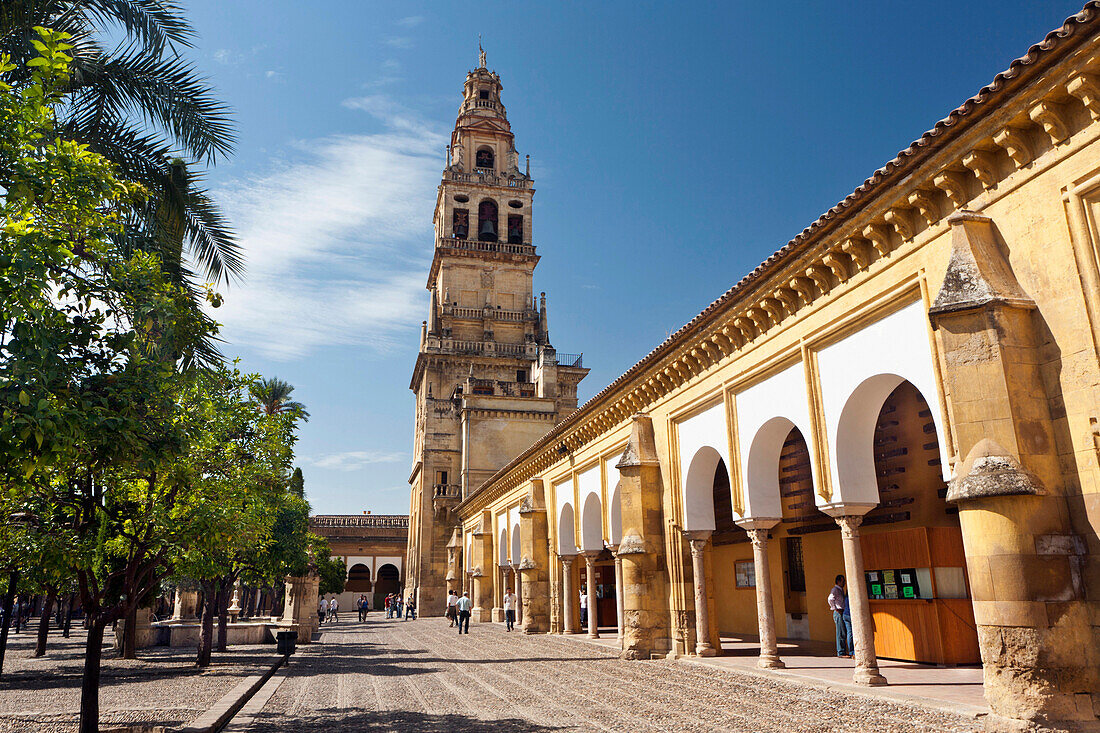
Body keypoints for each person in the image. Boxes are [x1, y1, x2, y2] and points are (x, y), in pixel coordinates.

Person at [828, 574, 853, 658]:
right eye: (843, 581)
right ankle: (841, 652)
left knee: (844, 632)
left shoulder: (841, 589)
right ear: (838, 581)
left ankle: (843, 650)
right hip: (838, 612)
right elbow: (830, 599)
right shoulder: (835, 590)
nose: (844, 583)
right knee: (840, 632)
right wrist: (835, 608)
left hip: (842, 611)